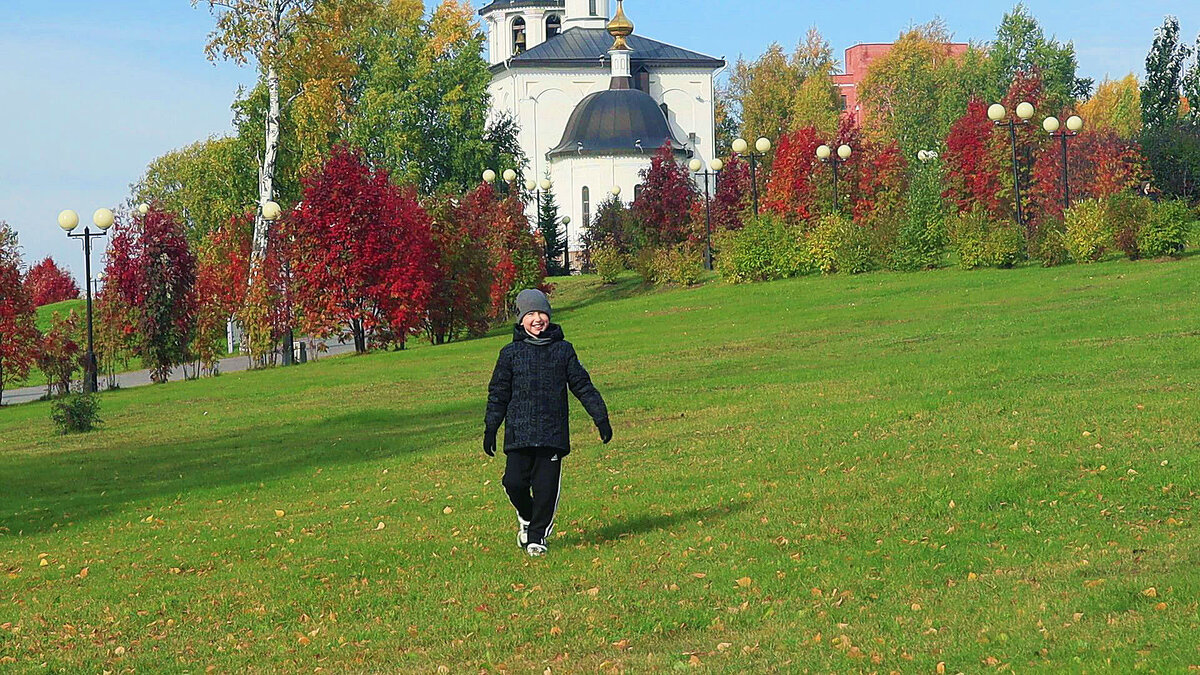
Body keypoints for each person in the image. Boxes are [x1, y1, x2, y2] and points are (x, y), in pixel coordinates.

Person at [484, 289, 612, 557]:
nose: (537, 319)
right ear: (521, 320)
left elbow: (582, 385)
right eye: (530, 314)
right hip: (519, 434)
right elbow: (498, 393)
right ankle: (527, 517)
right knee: (514, 483)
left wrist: (600, 417)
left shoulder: (563, 350)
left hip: (552, 433)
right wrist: (491, 427)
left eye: (541, 313)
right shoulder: (510, 354)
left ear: (549, 316)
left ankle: (537, 537)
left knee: (545, 489)